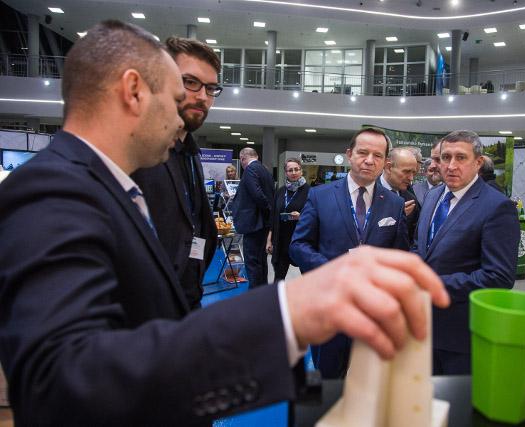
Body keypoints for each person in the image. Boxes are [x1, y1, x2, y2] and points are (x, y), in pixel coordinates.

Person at [0, 21, 450, 426]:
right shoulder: (54, 191)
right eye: (175, 98)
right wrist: (285, 312)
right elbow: (58, 382)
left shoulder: (110, 185)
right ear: (133, 91)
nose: (182, 115)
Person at [290, 126, 409, 378]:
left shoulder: (394, 204)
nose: (369, 160)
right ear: (349, 154)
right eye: (363, 152)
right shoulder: (320, 196)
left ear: (385, 163)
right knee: (328, 377)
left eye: (377, 155)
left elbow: (400, 256)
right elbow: (298, 245)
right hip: (328, 305)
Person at [414, 130, 519, 375]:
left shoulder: (497, 207)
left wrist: (433, 285)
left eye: (460, 158)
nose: (451, 166)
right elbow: (421, 246)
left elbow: (499, 276)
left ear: (478, 162)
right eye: (445, 157)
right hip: (422, 327)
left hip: (461, 334)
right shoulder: (432, 196)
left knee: (456, 397)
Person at [132, 37, 221, 310]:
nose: (202, 96)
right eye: (190, 82)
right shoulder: (139, 152)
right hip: (148, 309)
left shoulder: (191, 154)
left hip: (188, 299)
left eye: (211, 88)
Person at [232, 147, 275, 288]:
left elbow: (257, 195)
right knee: (261, 261)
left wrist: (267, 208)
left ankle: (255, 294)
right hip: (262, 224)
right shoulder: (265, 170)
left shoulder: (250, 170)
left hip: (254, 224)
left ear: (243, 158)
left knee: (252, 262)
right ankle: (262, 292)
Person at [266, 158, 310, 281]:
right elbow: (273, 217)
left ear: (301, 171)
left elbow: (316, 216)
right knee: (278, 279)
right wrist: (269, 240)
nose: (294, 172)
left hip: (302, 241)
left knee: (308, 278)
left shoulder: (310, 192)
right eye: (290, 170)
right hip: (281, 242)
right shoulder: (280, 191)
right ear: (286, 172)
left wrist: (301, 217)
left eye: (296, 169)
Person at [380, 147, 421, 243]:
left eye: (413, 172)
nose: (411, 178)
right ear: (388, 168)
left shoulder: (411, 200)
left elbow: (414, 239)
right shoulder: (367, 192)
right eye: (406, 172)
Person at [412, 141, 442, 207]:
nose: (434, 173)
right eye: (431, 170)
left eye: (437, 171)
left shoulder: (447, 189)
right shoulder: (415, 189)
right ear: (425, 173)